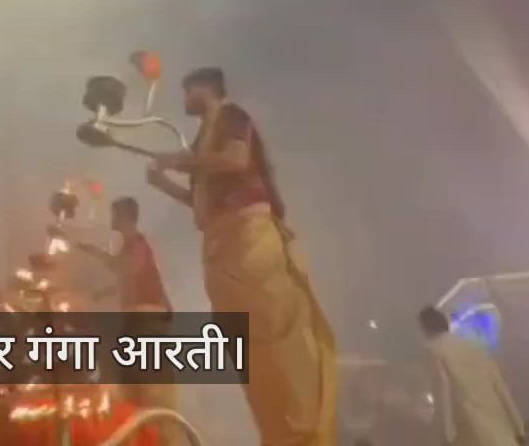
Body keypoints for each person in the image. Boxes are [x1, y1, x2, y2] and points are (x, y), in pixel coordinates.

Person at [145, 66, 338, 446]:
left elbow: (235, 159)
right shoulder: (204, 139)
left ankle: (303, 435)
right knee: (250, 354)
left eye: (188, 91)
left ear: (207, 89)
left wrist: (179, 161)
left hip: (248, 240)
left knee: (275, 345)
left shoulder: (232, 117)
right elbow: (202, 205)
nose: (184, 99)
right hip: (221, 245)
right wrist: (166, 179)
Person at [77, 196, 180, 443]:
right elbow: (126, 276)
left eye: (115, 215)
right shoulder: (128, 248)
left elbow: (129, 271)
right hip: (137, 322)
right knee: (132, 391)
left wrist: (101, 258)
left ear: (125, 216)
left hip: (147, 323)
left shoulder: (137, 244)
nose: (112, 220)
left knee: (153, 392)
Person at [417, 306, 524, 446]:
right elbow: (501, 388)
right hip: (500, 433)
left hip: (469, 433)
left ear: (426, 328)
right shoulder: (474, 348)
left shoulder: (433, 350)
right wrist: (518, 428)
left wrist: (447, 436)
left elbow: (442, 393)